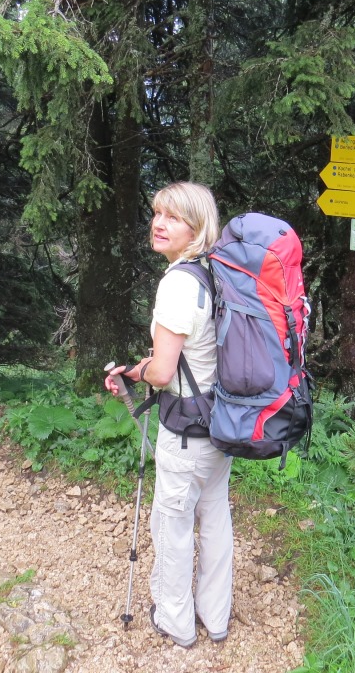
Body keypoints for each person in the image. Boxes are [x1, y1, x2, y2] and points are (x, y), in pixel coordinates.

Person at [104, 181, 232, 649]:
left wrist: (135, 371)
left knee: (173, 524)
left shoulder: (178, 282)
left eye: (174, 217)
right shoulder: (215, 273)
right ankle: (215, 617)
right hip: (221, 422)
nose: (159, 223)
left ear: (196, 228)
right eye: (157, 213)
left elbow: (161, 372)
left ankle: (176, 621)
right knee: (215, 518)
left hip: (184, 432)